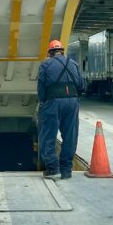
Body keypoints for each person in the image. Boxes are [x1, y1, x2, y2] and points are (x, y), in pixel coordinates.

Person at [36, 39, 84, 179]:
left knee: (48, 135)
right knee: (70, 135)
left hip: (53, 102)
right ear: (62, 51)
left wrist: (43, 101)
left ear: (50, 53)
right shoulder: (73, 64)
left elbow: (41, 89)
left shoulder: (45, 65)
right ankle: (66, 170)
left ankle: (52, 168)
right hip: (72, 102)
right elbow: (81, 86)